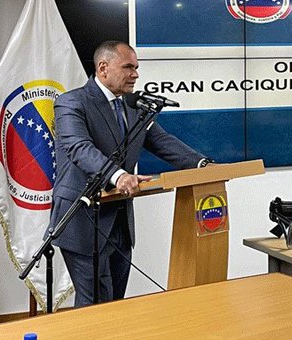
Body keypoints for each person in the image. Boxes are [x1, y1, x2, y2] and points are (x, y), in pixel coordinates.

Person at [49, 40, 210, 307]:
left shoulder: (134, 105)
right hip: (83, 220)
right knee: (95, 304)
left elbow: (161, 141)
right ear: (103, 68)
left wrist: (203, 164)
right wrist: (119, 176)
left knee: (116, 303)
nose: (135, 74)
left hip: (120, 222)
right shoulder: (71, 102)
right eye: (128, 67)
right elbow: (79, 148)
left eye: (136, 68)